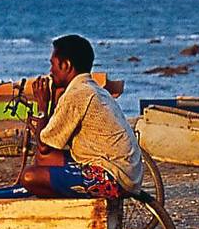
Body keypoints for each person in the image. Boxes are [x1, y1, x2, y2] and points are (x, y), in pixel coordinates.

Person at [21, 35, 145, 199]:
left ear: (66, 65)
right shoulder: (92, 88)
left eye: (53, 64)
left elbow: (44, 145)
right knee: (43, 159)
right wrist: (51, 100)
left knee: (29, 177)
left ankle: (71, 209)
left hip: (113, 177)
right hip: (126, 172)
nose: (50, 72)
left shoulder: (77, 94)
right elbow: (50, 143)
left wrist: (42, 106)